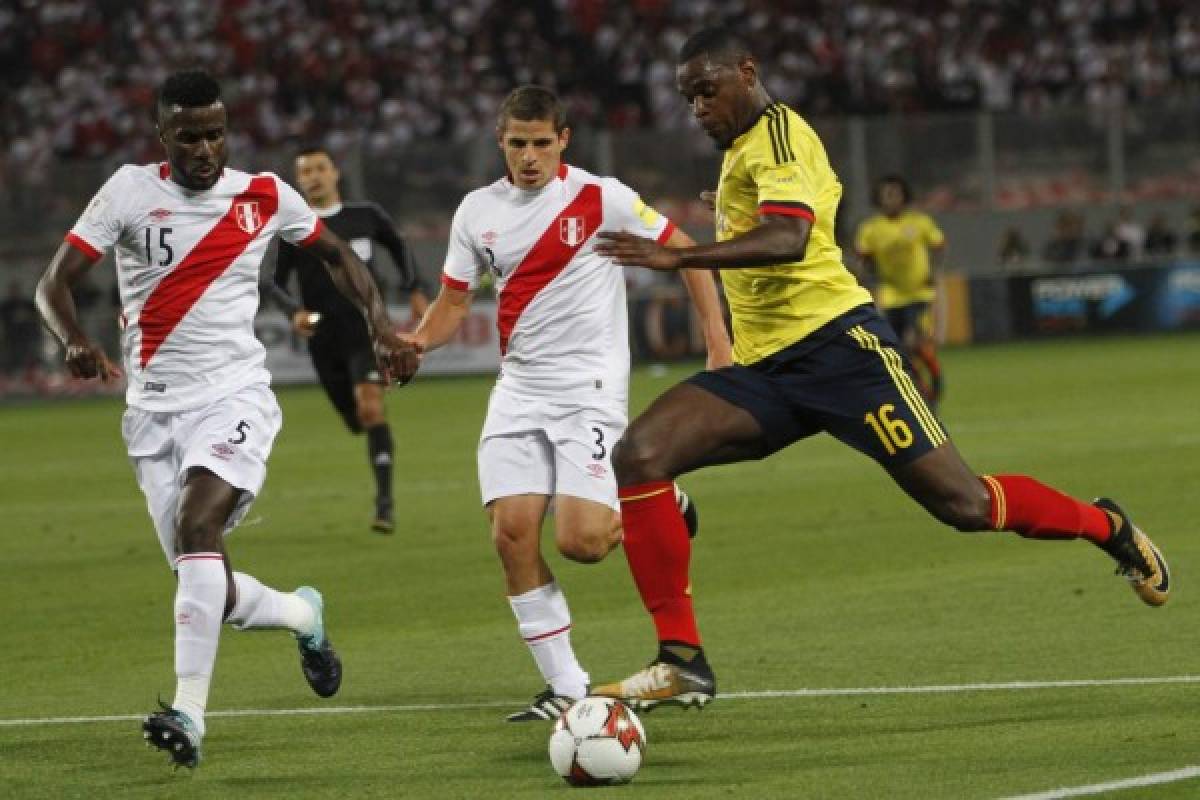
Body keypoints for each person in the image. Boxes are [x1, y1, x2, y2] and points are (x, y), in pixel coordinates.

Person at [590, 28, 1170, 711]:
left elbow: (791, 237)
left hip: (841, 353)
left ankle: (1109, 527)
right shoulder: (749, 149)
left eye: (707, 90)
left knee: (966, 505)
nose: (697, 109)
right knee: (642, 454)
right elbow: (800, 210)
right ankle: (682, 660)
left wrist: (679, 259)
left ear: (748, 71)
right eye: (688, 99)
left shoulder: (779, 134)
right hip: (767, 371)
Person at [34, 70, 416, 768]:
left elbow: (334, 255)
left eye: (215, 133)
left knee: (197, 526)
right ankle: (303, 614)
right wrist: (74, 341)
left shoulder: (264, 194)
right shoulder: (126, 191)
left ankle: (188, 712)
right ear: (163, 136)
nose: (204, 148)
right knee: (204, 581)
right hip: (151, 414)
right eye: (188, 137)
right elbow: (54, 281)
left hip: (234, 397)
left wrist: (382, 325)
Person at [403, 85, 730, 722]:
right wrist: (416, 344)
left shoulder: (599, 197)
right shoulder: (476, 211)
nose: (530, 156)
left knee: (581, 542)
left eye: (541, 143)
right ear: (501, 141)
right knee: (511, 533)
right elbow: (451, 305)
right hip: (518, 389)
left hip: (588, 389)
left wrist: (718, 345)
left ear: (564, 141)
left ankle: (663, 500)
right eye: (518, 143)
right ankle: (568, 686)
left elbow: (687, 254)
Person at [271, 146, 431, 533]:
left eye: (320, 168)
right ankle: (365, 429)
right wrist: (293, 311)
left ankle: (385, 505)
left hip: (366, 332)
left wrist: (413, 287)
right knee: (356, 419)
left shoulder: (365, 216)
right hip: (324, 338)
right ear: (298, 180)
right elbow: (274, 282)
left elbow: (397, 243)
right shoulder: (297, 227)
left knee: (372, 409)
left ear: (335, 173)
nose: (313, 176)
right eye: (305, 171)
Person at [854, 175, 946, 406]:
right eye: (886, 194)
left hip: (919, 293)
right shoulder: (870, 229)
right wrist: (863, 281)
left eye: (895, 194)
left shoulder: (920, 223)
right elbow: (863, 260)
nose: (890, 199)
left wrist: (933, 271)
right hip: (890, 295)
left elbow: (939, 246)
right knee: (898, 349)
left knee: (914, 341)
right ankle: (920, 391)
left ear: (904, 197)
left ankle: (933, 383)